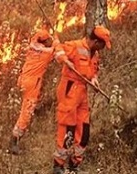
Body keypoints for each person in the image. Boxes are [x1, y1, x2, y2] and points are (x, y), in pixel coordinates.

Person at [52, 25, 111, 174]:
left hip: (82, 93)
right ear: (96, 41)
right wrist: (65, 59)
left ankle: (74, 165)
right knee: (68, 129)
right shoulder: (75, 46)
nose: (103, 48)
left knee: (84, 131)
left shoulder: (95, 54)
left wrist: (95, 79)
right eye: (103, 44)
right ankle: (58, 165)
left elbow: (94, 71)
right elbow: (57, 48)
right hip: (69, 90)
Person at [9, 23, 58, 155]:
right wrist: (57, 40)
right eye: (48, 39)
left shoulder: (32, 45)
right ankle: (14, 142)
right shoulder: (46, 54)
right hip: (32, 83)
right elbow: (56, 49)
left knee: (25, 108)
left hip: (23, 79)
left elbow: (38, 38)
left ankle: (16, 138)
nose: (50, 41)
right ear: (45, 41)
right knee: (26, 112)